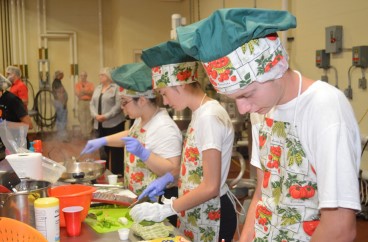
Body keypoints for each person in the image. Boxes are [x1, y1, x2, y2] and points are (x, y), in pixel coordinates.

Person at [175, 8, 362, 242]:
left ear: (274, 69)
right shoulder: (261, 110)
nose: (242, 109)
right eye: (235, 99)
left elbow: (339, 228)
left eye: (247, 94)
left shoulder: (324, 107)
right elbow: (263, 193)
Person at [130, 40, 237, 242]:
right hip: (196, 208)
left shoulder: (209, 117)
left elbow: (211, 186)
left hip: (212, 212)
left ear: (178, 84)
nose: (167, 102)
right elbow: (198, 167)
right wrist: (169, 178)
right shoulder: (200, 112)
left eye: (164, 94)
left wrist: (166, 209)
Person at [81, 62, 182, 225]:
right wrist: (103, 140)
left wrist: (144, 153)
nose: (122, 108)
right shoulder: (142, 119)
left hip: (155, 207)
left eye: (124, 102)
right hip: (139, 201)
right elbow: (131, 135)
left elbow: (173, 170)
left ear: (141, 100)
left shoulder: (164, 127)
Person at [89, 67, 125, 175]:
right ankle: (105, 172)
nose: (100, 76)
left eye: (102, 75)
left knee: (115, 150)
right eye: (99, 75)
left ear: (109, 76)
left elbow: (118, 105)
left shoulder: (116, 88)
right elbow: (92, 104)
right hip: (99, 124)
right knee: (103, 150)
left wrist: (106, 116)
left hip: (114, 124)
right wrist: (95, 115)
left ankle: (117, 173)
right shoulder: (98, 88)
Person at [0, 74, 33, 160]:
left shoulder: (12, 100)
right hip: (3, 146)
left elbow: (29, 125)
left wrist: (6, 125)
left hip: (17, 147)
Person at [75, 71, 94, 139]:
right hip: (81, 102)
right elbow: (78, 94)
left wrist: (83, 91)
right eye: (81, 76)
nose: (83, 77)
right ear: (80, 76)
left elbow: (92, 93)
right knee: (82, 118)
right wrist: (87, 92)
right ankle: (84, 134)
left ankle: (88, 134)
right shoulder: (77, 84)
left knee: (89, 118)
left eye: (84, 75)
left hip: (89, 102)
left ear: (86, 76)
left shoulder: (90, 84)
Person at [52, 70, 69, 142]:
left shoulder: (56, 82)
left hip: (58, 103)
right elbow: (60, 93)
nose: (63, 75)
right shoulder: (57, 82)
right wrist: (63, 103)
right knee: (62, 120)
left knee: (59, 120)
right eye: (62, 74)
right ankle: (63, 137)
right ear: (59, 75)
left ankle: (60, 136)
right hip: (60, 103)